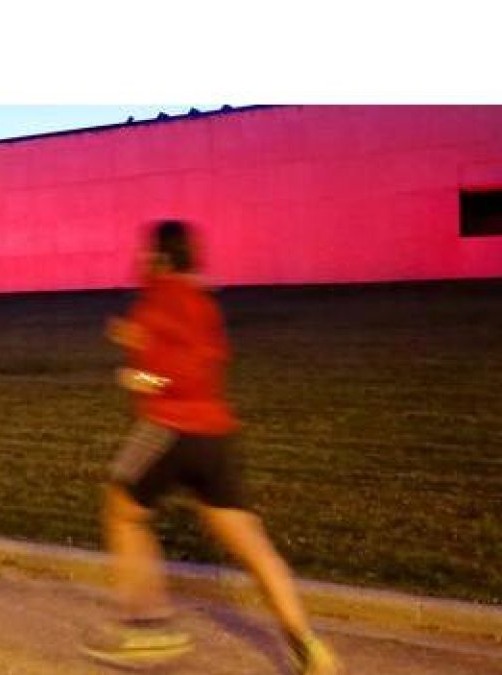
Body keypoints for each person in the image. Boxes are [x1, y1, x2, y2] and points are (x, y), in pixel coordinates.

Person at [81, 220, 341, 674]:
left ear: (160, 258)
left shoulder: (155, 299)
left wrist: (132, 373)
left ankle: (147, 626)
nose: (140, 260)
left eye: (148, 253)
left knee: (121, 509)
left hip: (168, 428)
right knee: (253, 547)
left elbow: (163, 380)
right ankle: (307, 644)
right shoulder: (204, 304)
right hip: (217, 435)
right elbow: (202, 362)